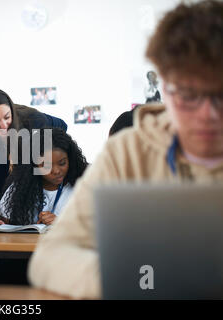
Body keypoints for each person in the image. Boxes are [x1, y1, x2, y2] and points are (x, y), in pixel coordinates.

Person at [28, 0, 223, 299]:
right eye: (187, 94)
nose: (207, 113)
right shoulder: (128, 152)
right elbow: (50, 259)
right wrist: (140, 280)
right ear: (166, 88)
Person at [0, 87, 67, 227]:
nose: (4, 125)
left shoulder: (33, 121)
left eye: (7, 117)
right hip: (3, 171)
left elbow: (62, 128)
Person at [0, 128, 88, 226]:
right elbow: (4, 225)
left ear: (71, 160)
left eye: (62, 163)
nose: (56, 171)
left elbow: (96, 226)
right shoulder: (20, 186)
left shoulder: (83, 187)